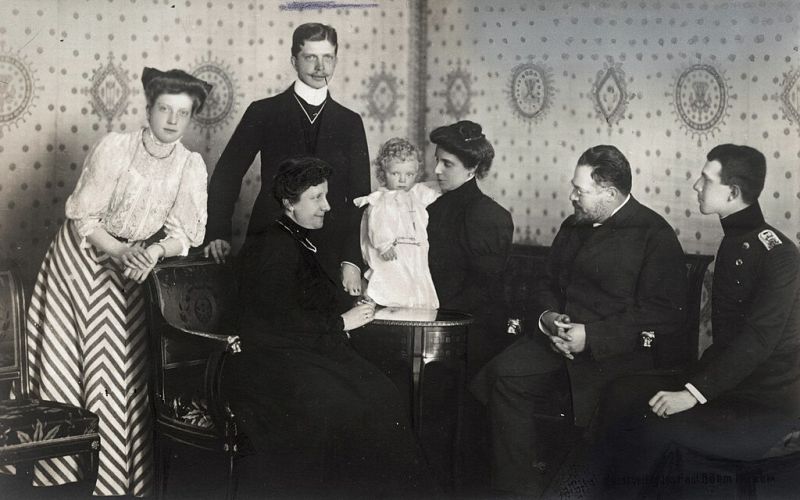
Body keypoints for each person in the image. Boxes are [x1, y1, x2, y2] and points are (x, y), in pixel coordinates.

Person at [25, 67, 211, 496]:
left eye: (182, 113)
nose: (172, 120)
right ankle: (65, 482)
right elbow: (84, 218)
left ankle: (117, 483)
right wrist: (123, 251)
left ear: (191, 117)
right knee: (73, 366)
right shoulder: (117, 148)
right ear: (148, 108)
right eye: (164, 109)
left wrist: (153, 252)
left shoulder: (189, 165)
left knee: (123, 370)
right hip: (80, 261)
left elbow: (184, 234)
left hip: (133, 268)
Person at [470, 145, 688, 496]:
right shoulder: (573, 225)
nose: (572, 197)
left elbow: (661, 313)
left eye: (580, 190)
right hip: (556, 341)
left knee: (592, 422)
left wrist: (593, 336)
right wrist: (548, 319)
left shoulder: (654, 234)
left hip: (615, 352)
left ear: (610, 193)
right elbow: (546, 283)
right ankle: (518, 490)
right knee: (501, 375)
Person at [588, 144, 800, 498]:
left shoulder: (779, 255)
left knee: (653, 429)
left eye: (706, 179)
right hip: (726, 380)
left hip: (763, 399)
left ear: (732, 192)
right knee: (620, 393)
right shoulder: (735, 239)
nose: (696, 185)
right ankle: (585, 491)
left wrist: (692, 394)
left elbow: (757, 343)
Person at [226, 157, 434, 497]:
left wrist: (351, 307)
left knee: (382, 392)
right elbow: (275, 319)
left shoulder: (297, 238)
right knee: (345, 406)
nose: (327, 206)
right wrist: (341, 322)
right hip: (268, 363)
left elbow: (306, 300)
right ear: (289, 202)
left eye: (325, 196)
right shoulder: (272, 244)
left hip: (303, 351)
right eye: (316, 198)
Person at [204, 22, 369, 297]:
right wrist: (217, 232)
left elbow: (360, 197)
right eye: (310, 57)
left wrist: (351, 260)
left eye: (328, 57)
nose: (320, 67)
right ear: (294, 61)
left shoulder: (350, 122)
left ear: (336, 60)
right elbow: (227, 174)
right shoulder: (263, 112)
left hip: (330, 251)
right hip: (269, 246)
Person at [426, 120, 514, 371]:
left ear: (472, 168)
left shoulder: (488, 215)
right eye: (437, 161)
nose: (437, 170)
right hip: (435, 318)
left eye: (447, 164)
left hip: (470, 330)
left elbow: (484, 289)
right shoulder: (433, 208)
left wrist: (434, 314)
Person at [353, 138, 440, 309]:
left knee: (414, 277)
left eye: (409, 175)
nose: (402, 180)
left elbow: (435, 190)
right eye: (395, 174)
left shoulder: (416, 194)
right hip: (391, 251)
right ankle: (379, 300)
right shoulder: (381, 199)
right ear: (383, 173)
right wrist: (384, 244)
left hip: (413, 250)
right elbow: (377, 223)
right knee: (390, 275)